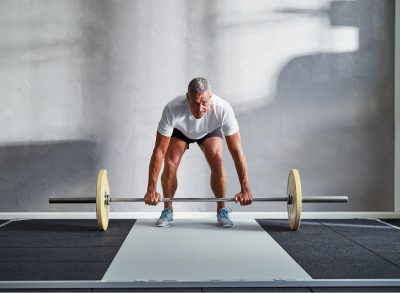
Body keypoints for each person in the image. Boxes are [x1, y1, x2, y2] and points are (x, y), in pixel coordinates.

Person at [144, 77, 252, 228]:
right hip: (181, 130)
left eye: (204, 103)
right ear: (187, 97)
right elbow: (159, 151)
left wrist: (245, 189)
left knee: (217, 158)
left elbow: (237, 151)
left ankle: (222, 210)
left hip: (208, 130)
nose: (200, 108)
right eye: (195, 103)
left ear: (210, 97)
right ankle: (167, 210)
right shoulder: (172, 108)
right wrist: (151, 189)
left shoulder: (223, 109)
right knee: (170, 162)